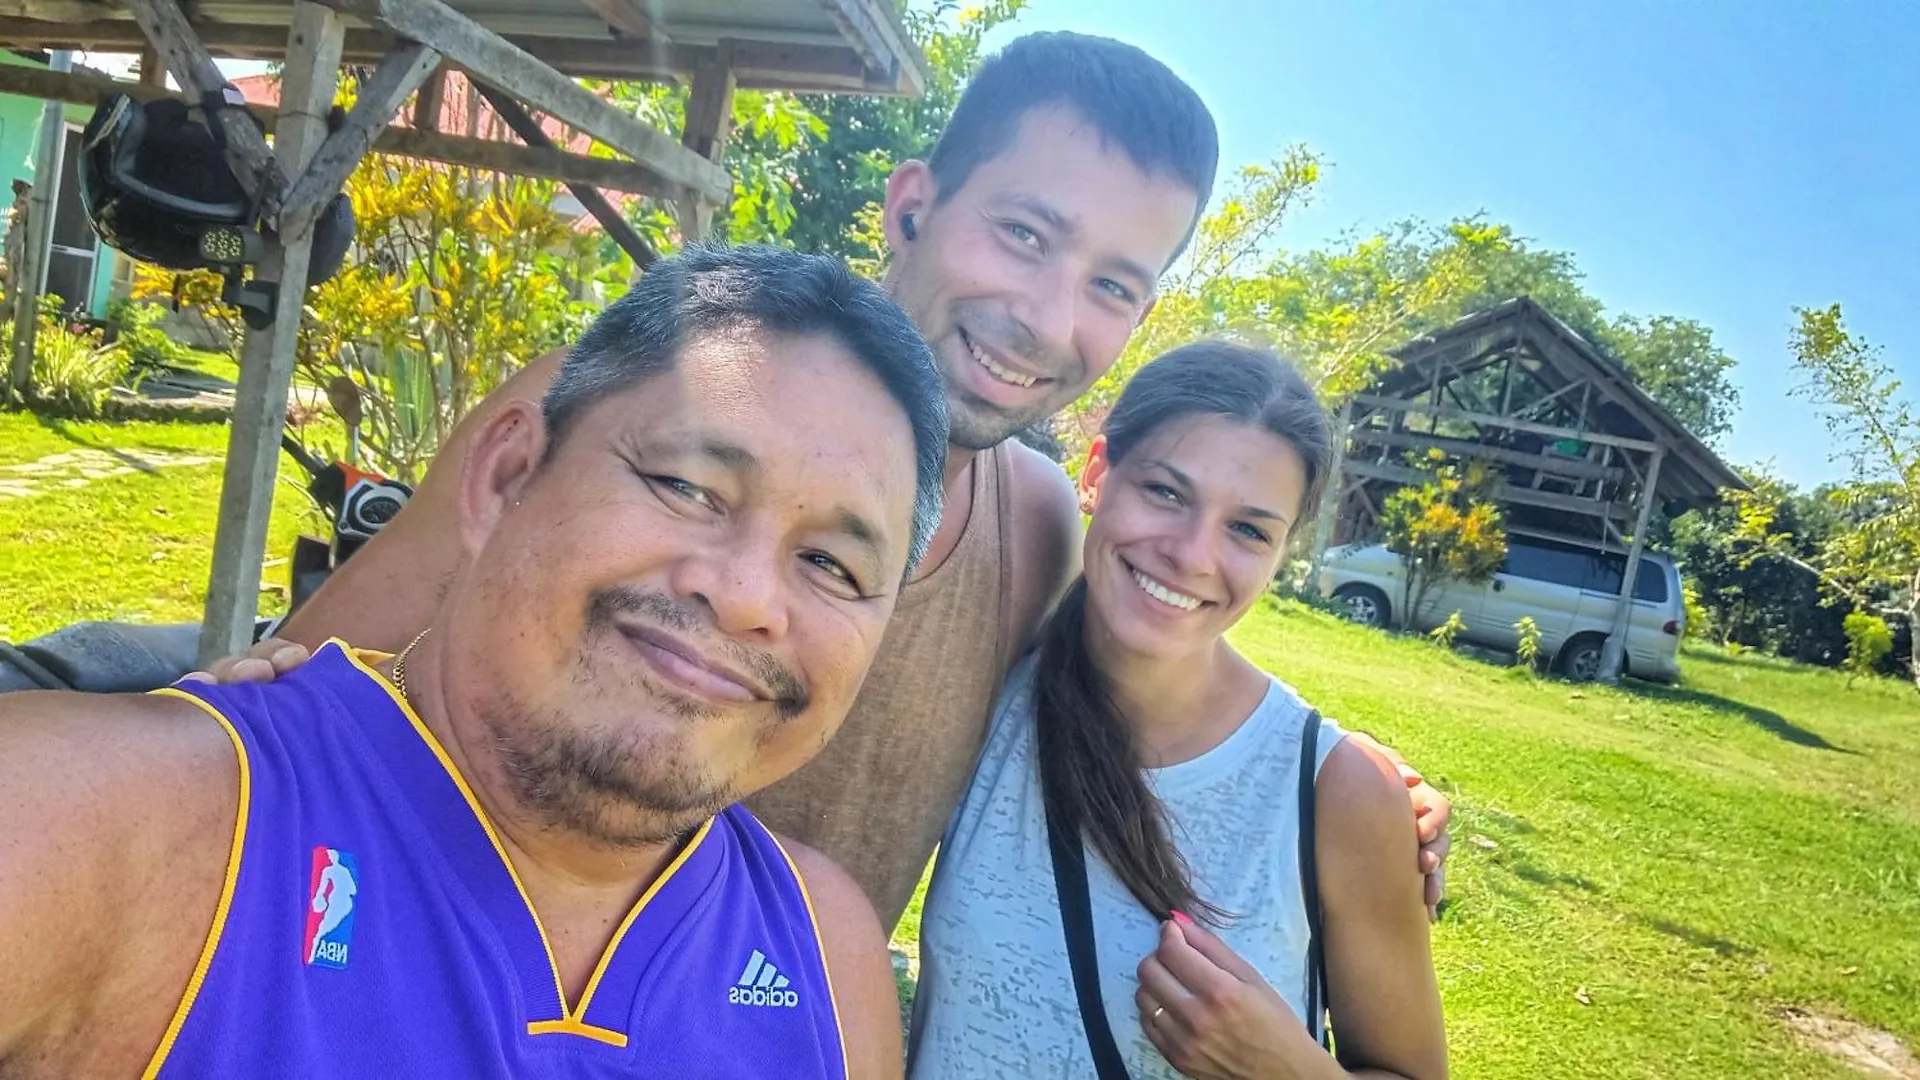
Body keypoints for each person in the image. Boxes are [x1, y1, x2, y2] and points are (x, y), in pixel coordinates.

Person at [33, 32, 1453, 929]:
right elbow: (301, 695)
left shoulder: (1036, 525)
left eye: (1113, 285)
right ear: (913, 204)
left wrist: (1352, 781)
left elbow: (1153, 679)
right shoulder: (628, 407)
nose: (1045, 319)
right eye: (1023, 235)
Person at [0, 245, 948, 1078]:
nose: (745, 596)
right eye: (689, 486)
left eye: (832, 565)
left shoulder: (828, 960)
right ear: (505, 476)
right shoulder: (110, 827)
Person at [910, 342, 1446, 1079]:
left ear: (1281, 554)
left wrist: (1288, 1069)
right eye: (1165, 491)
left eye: (1248, 529)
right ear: (1097, 474)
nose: (1193, 555)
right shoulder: (987, 687)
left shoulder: (1334, 791)